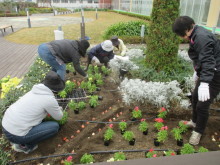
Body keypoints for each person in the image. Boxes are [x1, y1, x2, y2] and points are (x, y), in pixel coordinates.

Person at [172, 16, 220, 145]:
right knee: (195, 97)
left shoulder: (201, 37)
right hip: (207, 72)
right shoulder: (195, 34)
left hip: (216, 74)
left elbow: (209, 61)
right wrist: (197, 71)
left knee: (202, 105)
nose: (182, 37)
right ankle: (194, 122)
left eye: (182, 35)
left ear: (188, 29)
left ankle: (198, 131)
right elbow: (201, 58)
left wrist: (204, 83)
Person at [2, 71, 65, 154]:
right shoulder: (48, 99)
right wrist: (57, 109)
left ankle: (17, 139)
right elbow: (59, 117)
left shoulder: (34, 91)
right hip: (16, 134)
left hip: (6, 126)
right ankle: (25, 146)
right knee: (54, 127)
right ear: (55, 90)